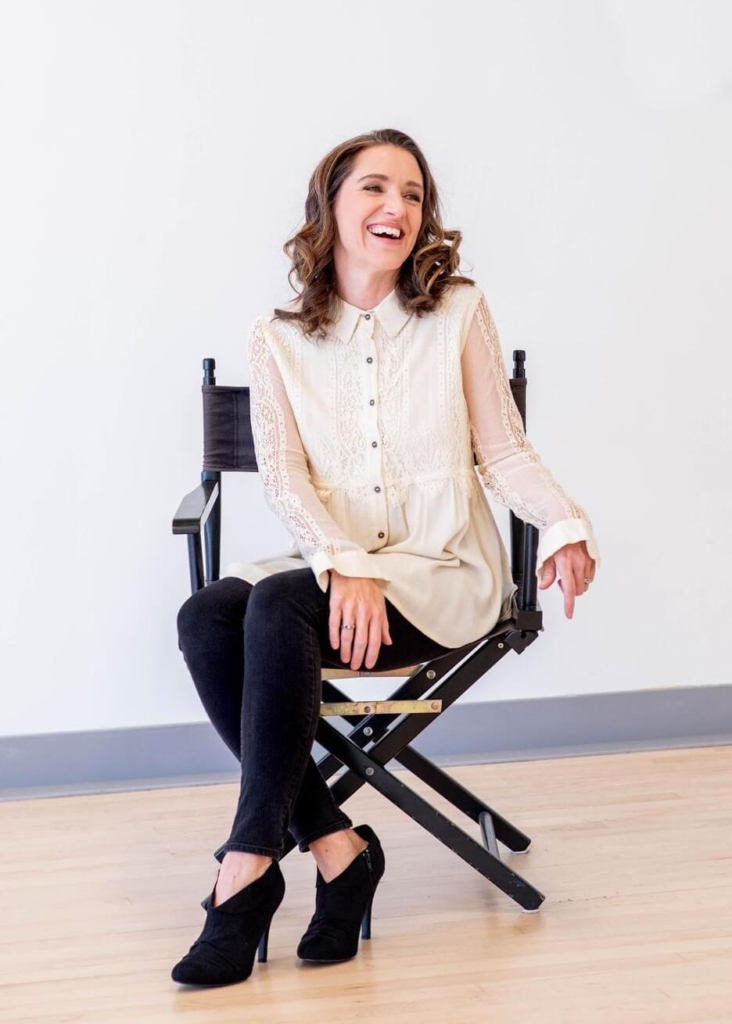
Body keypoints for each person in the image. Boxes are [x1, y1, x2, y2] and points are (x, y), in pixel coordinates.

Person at [172, 128, 601, 987]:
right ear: (329, 206)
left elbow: (504, 452)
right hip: (338, 570)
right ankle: (338, 847)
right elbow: (286, 481)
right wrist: (344, 562)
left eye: (411, 194)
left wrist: (564, 524)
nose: (396, 208)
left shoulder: (459, 312)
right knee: (209, 613)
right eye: (374, 188)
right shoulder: (277, 336)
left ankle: (246, 867)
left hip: (440, 571)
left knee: (278, 605)